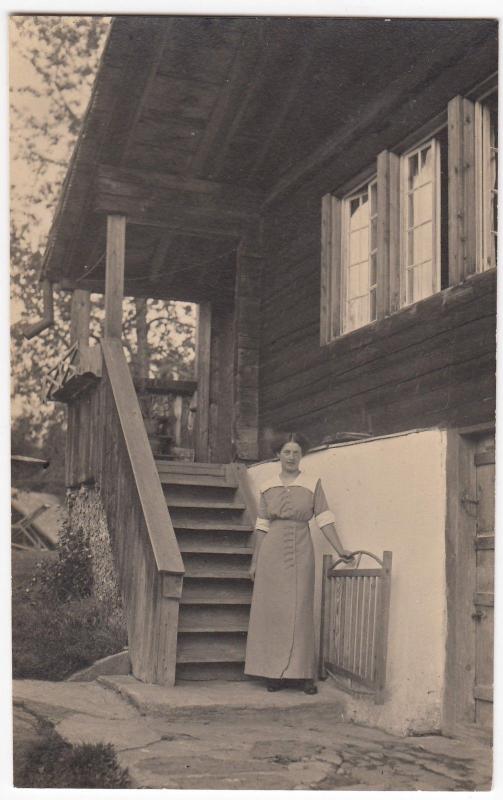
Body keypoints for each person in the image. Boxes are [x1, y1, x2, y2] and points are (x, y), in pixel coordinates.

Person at [244, 432, 354, 694]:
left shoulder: (312, 483)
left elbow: (324, 519)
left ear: (301, 455)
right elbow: (261, 526)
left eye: (295, 452)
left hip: (302, 548)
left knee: (301, 608)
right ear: (278, 455)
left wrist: (340, 550)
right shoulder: (267, 486)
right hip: (272, 551)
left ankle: (303, 675)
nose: (291, 457)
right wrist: (255, 561)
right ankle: (273, 673)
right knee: (274, 612)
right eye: (286, 452)